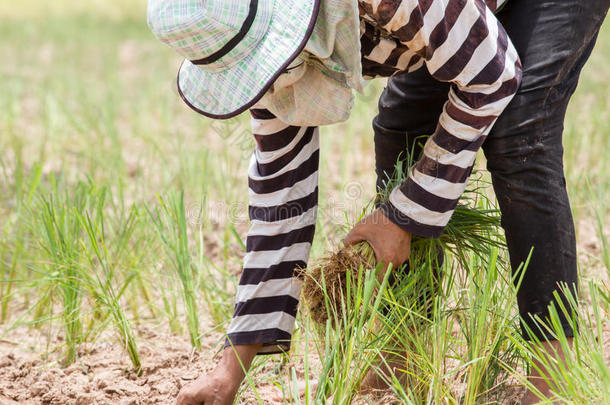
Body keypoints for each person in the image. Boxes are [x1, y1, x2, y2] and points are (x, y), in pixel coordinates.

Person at [147, 0, 607, 403]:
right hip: (444, 20)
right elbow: (280, 200)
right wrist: (231, 370)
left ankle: (554, 371)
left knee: (518, 134)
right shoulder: (262, 59)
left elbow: (494, 74)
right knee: (400, 126)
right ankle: (405, 354)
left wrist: (402, 216)